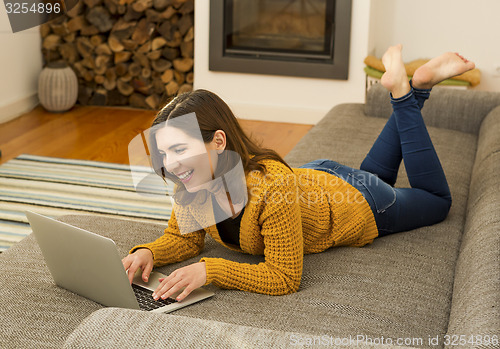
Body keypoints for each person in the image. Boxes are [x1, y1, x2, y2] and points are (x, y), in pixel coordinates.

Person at [122, 45, 475, 302]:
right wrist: (150, 253)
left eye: (180, 150)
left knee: (437, 201)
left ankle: (403, 91)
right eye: (165, 153)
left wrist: (210, 270)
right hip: (321, 179)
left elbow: (285, 276)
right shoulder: (194, 181)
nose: (171, 165)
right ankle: (419, 85)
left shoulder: (270, 188)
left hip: (359, 202)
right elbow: (185, 238)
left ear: (218, 141)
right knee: (371, 174)